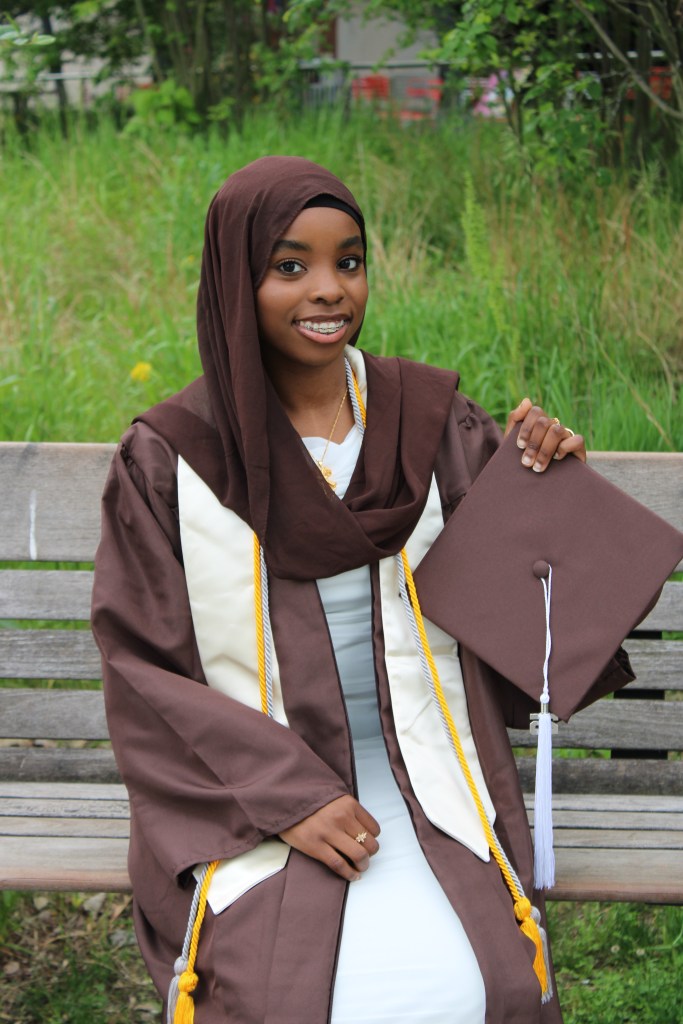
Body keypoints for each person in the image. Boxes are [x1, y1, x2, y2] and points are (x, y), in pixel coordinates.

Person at [91, 156, 635, 1024]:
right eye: (289, 266)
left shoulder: (431, 420)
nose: (328, 290)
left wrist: (548, 490)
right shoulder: (172, 455)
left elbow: (527, 614)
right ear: (237, 278)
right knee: (291, 996)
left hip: (431, 771)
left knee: (473, 989)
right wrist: (288, 799)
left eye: (348, 260)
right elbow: (143, 668)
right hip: (259, 783)